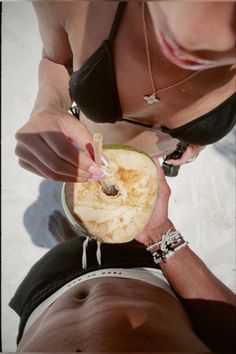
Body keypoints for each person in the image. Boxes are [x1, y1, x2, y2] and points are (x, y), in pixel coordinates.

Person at [10, 160, 235, 352]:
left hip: (45, 297)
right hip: (140, 274)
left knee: (66, 251)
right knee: (107, 234)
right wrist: (159, 233)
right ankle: (79, 238)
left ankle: (70, 241)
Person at [14, 1, 236, 182]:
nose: (193, 40)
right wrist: (48, 107)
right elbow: (56, 61)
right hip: (93, 158)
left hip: (165, 154)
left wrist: (197, 143)